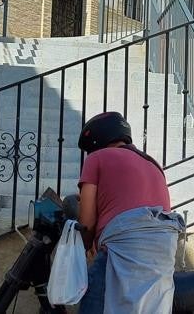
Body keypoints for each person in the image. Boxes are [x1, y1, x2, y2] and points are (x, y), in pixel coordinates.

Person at [75, 111, 184, 314]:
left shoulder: (97, 158)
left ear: (97, 142)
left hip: (124, 242)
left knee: (94, 303)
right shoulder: (153, 164)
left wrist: (85, 246)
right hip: (163, 248)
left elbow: (87, 221)